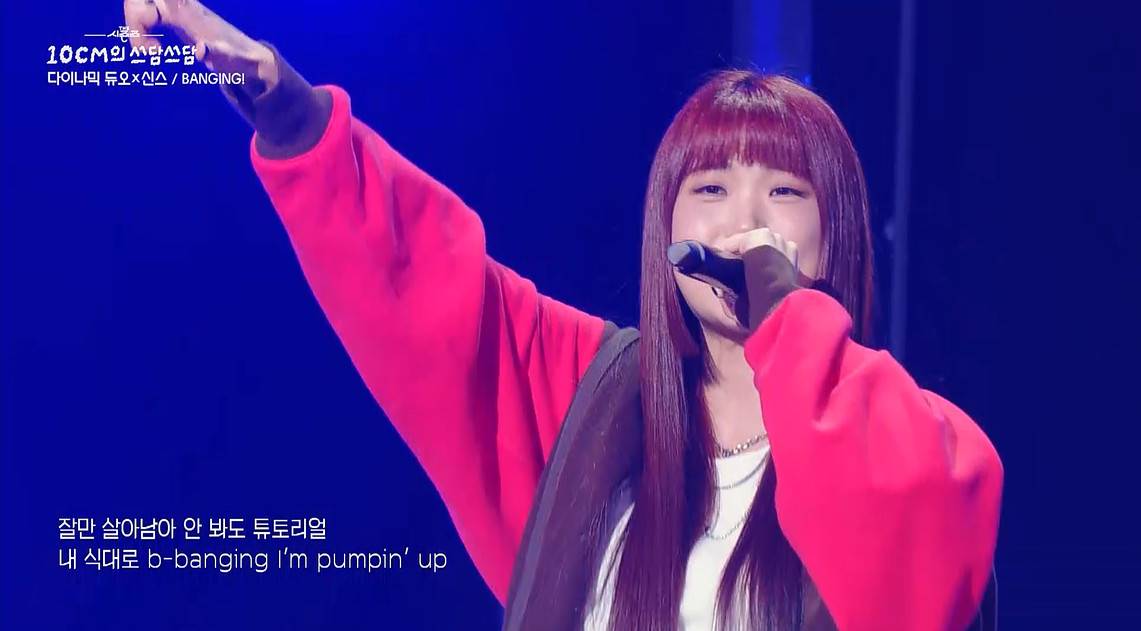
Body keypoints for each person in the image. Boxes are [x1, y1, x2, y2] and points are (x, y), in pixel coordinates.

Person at [123, 2, 1004, 629]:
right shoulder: (595, 400)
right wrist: (287, 109)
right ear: (663, 226)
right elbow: (425, 289)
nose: (743, 221)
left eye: (783, 191)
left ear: (835, 229)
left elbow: (902, 562)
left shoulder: (917, 441)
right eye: (708, 189)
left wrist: (785, 308)